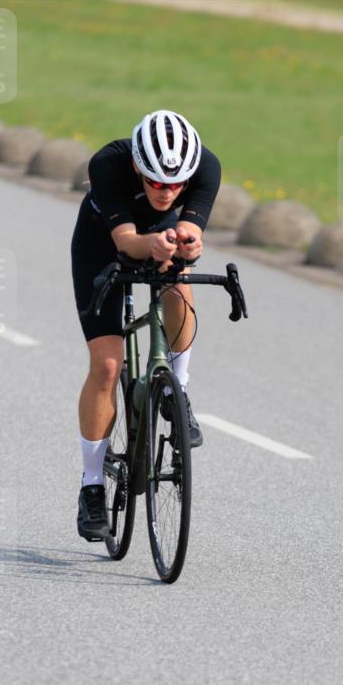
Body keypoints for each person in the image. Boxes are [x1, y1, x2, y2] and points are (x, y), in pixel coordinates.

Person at [71, 110, 221, 542]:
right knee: (107, 366)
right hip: (103, 244)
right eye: (156, 182)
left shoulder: (206, 167)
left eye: (176, 184)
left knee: (179, 284)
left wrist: (189, 241)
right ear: (138, 167)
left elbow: (191, 228)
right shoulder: (108, 165)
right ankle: (93, 484)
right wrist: (149, 244)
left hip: (162, 236)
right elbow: (127, 243)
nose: (167, 190)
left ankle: (179, 390)